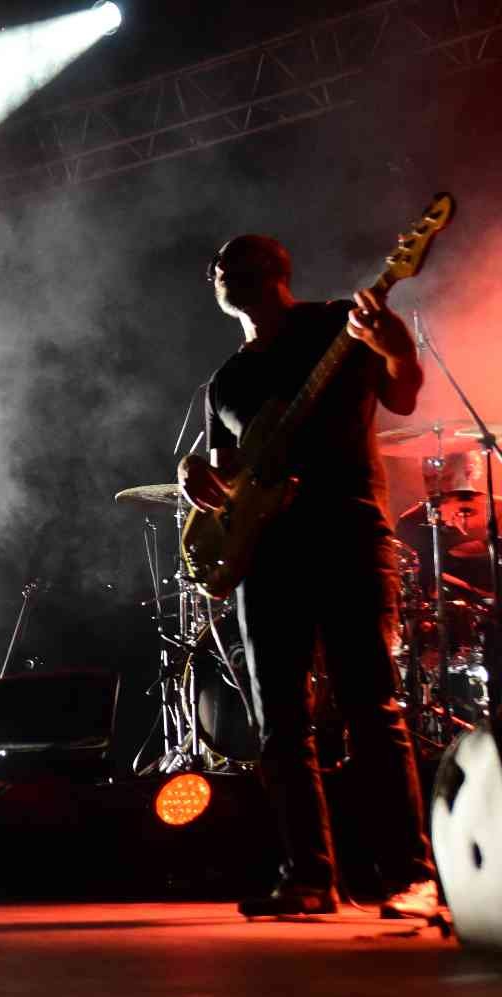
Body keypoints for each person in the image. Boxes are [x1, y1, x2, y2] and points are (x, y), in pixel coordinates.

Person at [177, 234, 438, 919]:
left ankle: (411, 875)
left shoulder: (336, 323)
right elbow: (224, 467)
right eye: (215, 266)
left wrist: (397, 349)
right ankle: (308, 877)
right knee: (279, 726)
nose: (219, 271)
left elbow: (403, 397)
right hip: (268, 554)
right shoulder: (227, 380)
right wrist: (189, 474)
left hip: (348, 531)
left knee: (370, 708)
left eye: (233, 260)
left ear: (275, 270)